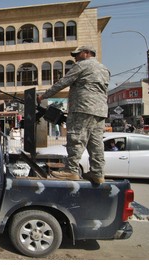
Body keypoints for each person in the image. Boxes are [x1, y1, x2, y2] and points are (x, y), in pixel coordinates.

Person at [38, 46, 110, 184]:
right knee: (96, 143)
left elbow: (63, 82)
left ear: (87, 53)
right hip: (100, 110)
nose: (75, 58)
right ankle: (98, 173)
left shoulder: (82, 65)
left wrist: (44, 96)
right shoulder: (104, 69)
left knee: (76, 138)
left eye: (77, 54)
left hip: (82, 108)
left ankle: (71, 171)